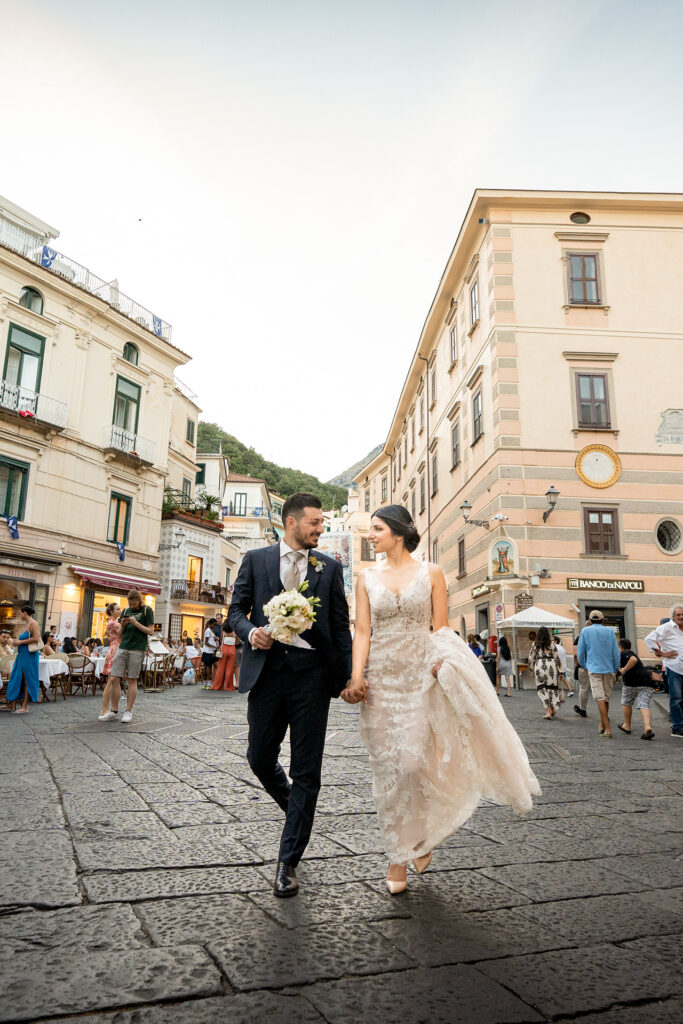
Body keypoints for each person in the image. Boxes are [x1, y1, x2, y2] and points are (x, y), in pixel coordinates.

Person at [341, 505, 539, 895]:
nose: (371, 535)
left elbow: (441, 627)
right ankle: (397, 856)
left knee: (414, 763)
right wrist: (357, 674)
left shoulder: (431, 572)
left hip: (420, 676)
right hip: (382, 679)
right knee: (389, 770)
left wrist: (441, 661)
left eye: (377, 529)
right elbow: (362, 631)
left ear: (398, 532)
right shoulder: (365, 577)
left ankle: (423, 835)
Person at [228, 492, 353, 899]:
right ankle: (297, 813)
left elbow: (339, 627)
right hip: (266, 674)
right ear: (291, 522)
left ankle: (288, 862)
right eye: (315, 523)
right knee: (258, 757)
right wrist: (251, 632)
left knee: (307, 771)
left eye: (322, 523)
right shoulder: (256, 559)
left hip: (312, 678)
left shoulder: (329, 568)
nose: (320, 529)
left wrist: (349, 676)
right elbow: (235, 612)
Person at [98, 590, 154, 724]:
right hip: (123, 647)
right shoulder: (125, 611)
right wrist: (122, 626)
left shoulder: (147, 610)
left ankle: (128, 711)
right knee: (114, 678)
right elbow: (120, 634)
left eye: (134, 604)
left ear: (139, 601)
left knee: (132, 680)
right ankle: (114, 711)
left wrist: (135, 623)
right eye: (130, 604)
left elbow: (151, 631)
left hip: (137, 648)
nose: (133, 606)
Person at [577, 610, 621, 738]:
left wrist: (584, 665)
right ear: (603, 620)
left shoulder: (585, 631)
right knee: (606, 698)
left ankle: (607, 728)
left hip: (594, 667)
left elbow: (580, 652)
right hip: (608, 668)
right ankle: (602, 725)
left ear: (590, 621)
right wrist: (615, 667)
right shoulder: (610, 632)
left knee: (599, 698)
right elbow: (615, 652)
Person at [644, 605, 683, 738]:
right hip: (674, 668)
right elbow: (649, 639)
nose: (681, 617)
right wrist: (662, 653)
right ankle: (677, 728)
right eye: (678, 615)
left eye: (682, 614)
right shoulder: (667, 627)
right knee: (676, 698)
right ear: (673, 616)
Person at [617, 639, 655, 740]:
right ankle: (647, 727)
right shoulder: (631, 652)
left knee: (626, 702)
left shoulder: (625, 653)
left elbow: (633, 660)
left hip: (631, 682)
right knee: (644, 704)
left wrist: (624, 670)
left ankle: (627, 725)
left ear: (620, 647)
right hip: (647, 681)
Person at [6, 605, 41, 714]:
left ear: (25, 613)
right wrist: (17, 642)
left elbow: (36, 638)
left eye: (20, 613)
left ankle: (25, 706)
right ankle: (12, 703)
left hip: (29, 656)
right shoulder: (27, 624)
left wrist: (20, 642)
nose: (20, 615)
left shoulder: (33, 623)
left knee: (27, 680)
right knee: (17, 678)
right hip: (22, 655)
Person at [529, 627, 563, 720]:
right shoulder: (552, 644)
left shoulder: (535, 644)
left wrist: (532, 669)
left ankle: (548, 711)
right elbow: (557, 658)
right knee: (551, 687)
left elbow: (531, 658)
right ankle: (553, 708)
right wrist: (561, 672)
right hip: (551, 665)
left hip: (540, 666)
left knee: (542, 688)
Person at [98, 603, 122, 719]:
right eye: (118, 609)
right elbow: (123, 630)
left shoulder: (114, 621)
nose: (120, 611)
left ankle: (111, 709)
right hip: (115, 651)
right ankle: (104, 709)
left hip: (115, 650)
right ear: (111, 611)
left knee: (114, 682)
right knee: (111, 682)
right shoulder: (113, 623)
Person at [573, 624, 592, 718]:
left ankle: (582, 709)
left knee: (584, 688)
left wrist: (579, 665)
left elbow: (575, 654)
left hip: (584, 666)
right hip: (597, 666)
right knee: (601, 690)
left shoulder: (580, 638)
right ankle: (604, 711)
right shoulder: (597, 638)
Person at [212, 624, 237, 691]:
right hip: (232, 649)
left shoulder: (223, 630)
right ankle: (228, 686)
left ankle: (218, 686)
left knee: (220, 668)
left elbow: (221, 640)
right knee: (230, 669)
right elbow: (237, 641)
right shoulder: (234, 630)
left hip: (224, 649)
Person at [201, 618, 219, 684]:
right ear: (210, 624)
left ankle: (207, 682)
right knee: (207, 667)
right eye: (214, 625)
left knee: (209, 666)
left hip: (210, 651)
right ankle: (207, 682)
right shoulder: (208, 630)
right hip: (207, 651)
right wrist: (214, 647)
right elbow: (206, 642)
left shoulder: (211, 630)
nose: (215, 626)